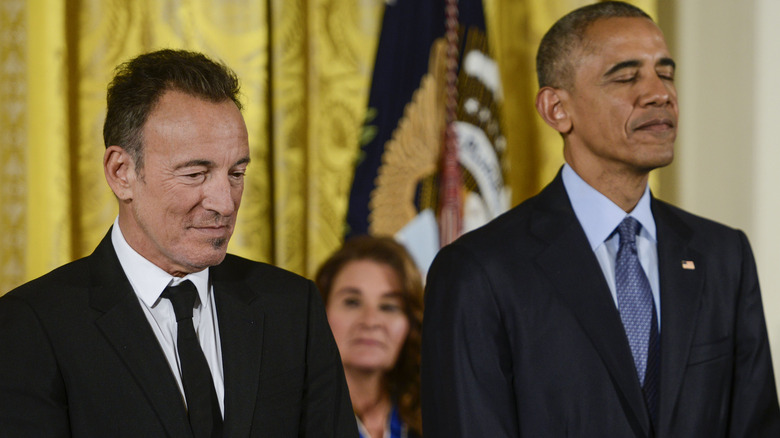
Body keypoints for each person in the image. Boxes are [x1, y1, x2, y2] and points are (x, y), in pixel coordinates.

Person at [421, 2, 780, 437]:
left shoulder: (724, 256)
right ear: (557, 109)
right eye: (626, 77)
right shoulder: (479, 270)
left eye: (665, 73)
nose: (659, 93)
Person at [0, 49, 358, 437]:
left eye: (237, 172)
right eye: (195, 173)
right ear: (122, 173)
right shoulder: (33, 325)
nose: (225, 202)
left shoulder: (292, 308)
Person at [315, 235, 423, 438]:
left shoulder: (433, 415)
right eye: (352, 302)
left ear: (410, 322)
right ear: (321, 311)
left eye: (388, 306)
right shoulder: (289, 417)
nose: (371, 321)